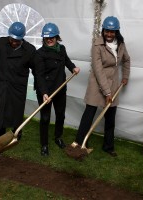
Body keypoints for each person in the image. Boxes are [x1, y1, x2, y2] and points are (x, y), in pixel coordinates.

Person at [72, 16, 130, 157]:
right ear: (103, 30)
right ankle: (80, 143)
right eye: (107, 31)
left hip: (113, 84)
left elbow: (127, 59)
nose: (109, 34)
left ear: (117, 31)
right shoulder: (97, 45)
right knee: (89, 114)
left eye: (112, 32)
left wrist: (125, 76)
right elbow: (98, 70)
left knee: (110, 117)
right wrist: (106, 92)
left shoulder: (121, 44)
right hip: (97, 84)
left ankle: (108, 146)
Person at [34, 23, 80, 156]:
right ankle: (44, 145)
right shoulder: (39, 54)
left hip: (60, 88)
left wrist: (73, 68)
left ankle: (58, 137)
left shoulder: (62, 49)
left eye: (52, 37)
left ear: (56, 37)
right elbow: (39, 75)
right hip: (45, 91)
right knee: (45, 118)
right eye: (47, 38)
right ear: (43, 38)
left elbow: (66, 61)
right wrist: (43, 93)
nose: (49, 39)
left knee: (60, 115)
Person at [0, 22, 36, 142]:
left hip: (18, 86)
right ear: (9, 36)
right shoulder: (1, 42)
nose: (14, 42)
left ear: (22, 38)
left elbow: (37, 69)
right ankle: (0, 133)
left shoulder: (30, 50)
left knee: (16, 111)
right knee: (1, 109)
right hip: (3, 83)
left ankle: (17, 133)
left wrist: (42, 86)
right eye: (12, 39)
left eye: (17, 40)